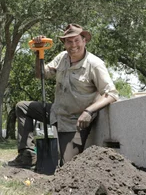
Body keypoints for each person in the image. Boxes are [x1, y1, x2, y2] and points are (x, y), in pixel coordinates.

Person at [8, 23, 119, 168]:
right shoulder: (62, 58)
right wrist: (38, 52)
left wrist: (88, 111)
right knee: (22, 107)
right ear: (64, 43)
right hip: (56, 112)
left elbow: (111, 94)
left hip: (75, 122)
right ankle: (27, 155)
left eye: (77, 40)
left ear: (84, 40)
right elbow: (40, 74)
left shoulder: (95, 64)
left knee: (67, 167)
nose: (73, 45)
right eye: (69, 41)